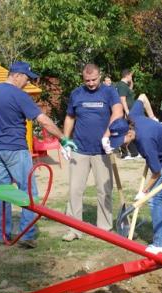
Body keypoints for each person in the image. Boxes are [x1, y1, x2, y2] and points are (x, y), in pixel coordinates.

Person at [0, 61, 73, 249]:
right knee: (28, 191)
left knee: (1, 192)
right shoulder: (20, 96)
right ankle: (27, 235)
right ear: (17, 75)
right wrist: (62, 138)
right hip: (16, 149)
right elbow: (43, 120)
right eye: (27, 78)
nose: (28, 82)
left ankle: (2, 233)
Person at [109, 95, 162, 254]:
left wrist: (144, 191)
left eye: (122, 140)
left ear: (129, 132)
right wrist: (152, 117)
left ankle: (159, 245)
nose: (121, 144)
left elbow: (156, 172)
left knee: (155, 198)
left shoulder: (145, 141)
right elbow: (143, 97)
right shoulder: (132, 117)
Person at [61, 63, 123, 242]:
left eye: (94, 79)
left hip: (102, 150)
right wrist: (66, 140)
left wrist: (107, 135)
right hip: (79, 149)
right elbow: (70, 117)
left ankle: (104, 228)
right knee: (74, 190)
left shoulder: (109, 92)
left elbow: (118, 112)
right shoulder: (76, 94)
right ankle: (74, 229)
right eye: (87, 80)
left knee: (104, 190)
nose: (90, 83)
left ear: (100, 75)